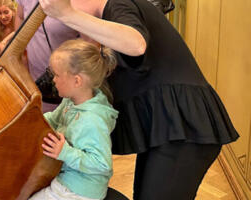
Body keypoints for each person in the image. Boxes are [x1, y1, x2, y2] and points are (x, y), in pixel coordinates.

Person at [39, 0, 239, 199]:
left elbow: (136, 44)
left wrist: (68, 14)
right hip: (166, 127)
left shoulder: (119, 4)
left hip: (185, 125)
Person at [29, 39, 117, 200]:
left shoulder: (92, 120)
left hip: (80, 190)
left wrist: (66, 153)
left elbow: (102, 164)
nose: (53, 80)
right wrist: (32, 121)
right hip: (64, 178)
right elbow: (53, 119)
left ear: (77, 81)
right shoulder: (70, 101)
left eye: (56, 75)